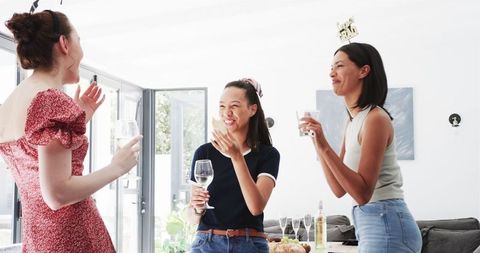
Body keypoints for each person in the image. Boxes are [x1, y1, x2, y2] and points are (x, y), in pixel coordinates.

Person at [0, 10, 141, 252]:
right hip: (71, 236)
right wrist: (117, 167)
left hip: (38, 238)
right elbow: (57, 195)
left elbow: (35, 155)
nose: (82, 51)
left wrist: (79, 116)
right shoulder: (51, 99)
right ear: (64, 44)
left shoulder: (10, 104)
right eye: (79, 41)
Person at [299, 42, 422, 252]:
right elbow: (339, 189)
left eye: (339, 66)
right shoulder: (353, 120)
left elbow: (363, 193)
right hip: (371, 223)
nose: (331, 73)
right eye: (331, 68)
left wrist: (325, 146)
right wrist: (317, 142)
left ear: (364, 71)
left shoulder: (376, 118)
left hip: (386, 222)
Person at [189, 78, 280, 253]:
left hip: (249, 244)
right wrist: (197, 208)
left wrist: (236, 156)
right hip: (206, 243)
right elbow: (192, 218)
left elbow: (256, 207)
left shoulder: (268, 155)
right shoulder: (204, 152)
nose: (226, 113)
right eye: (222, 106)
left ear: (252, 109)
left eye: (234, 106)